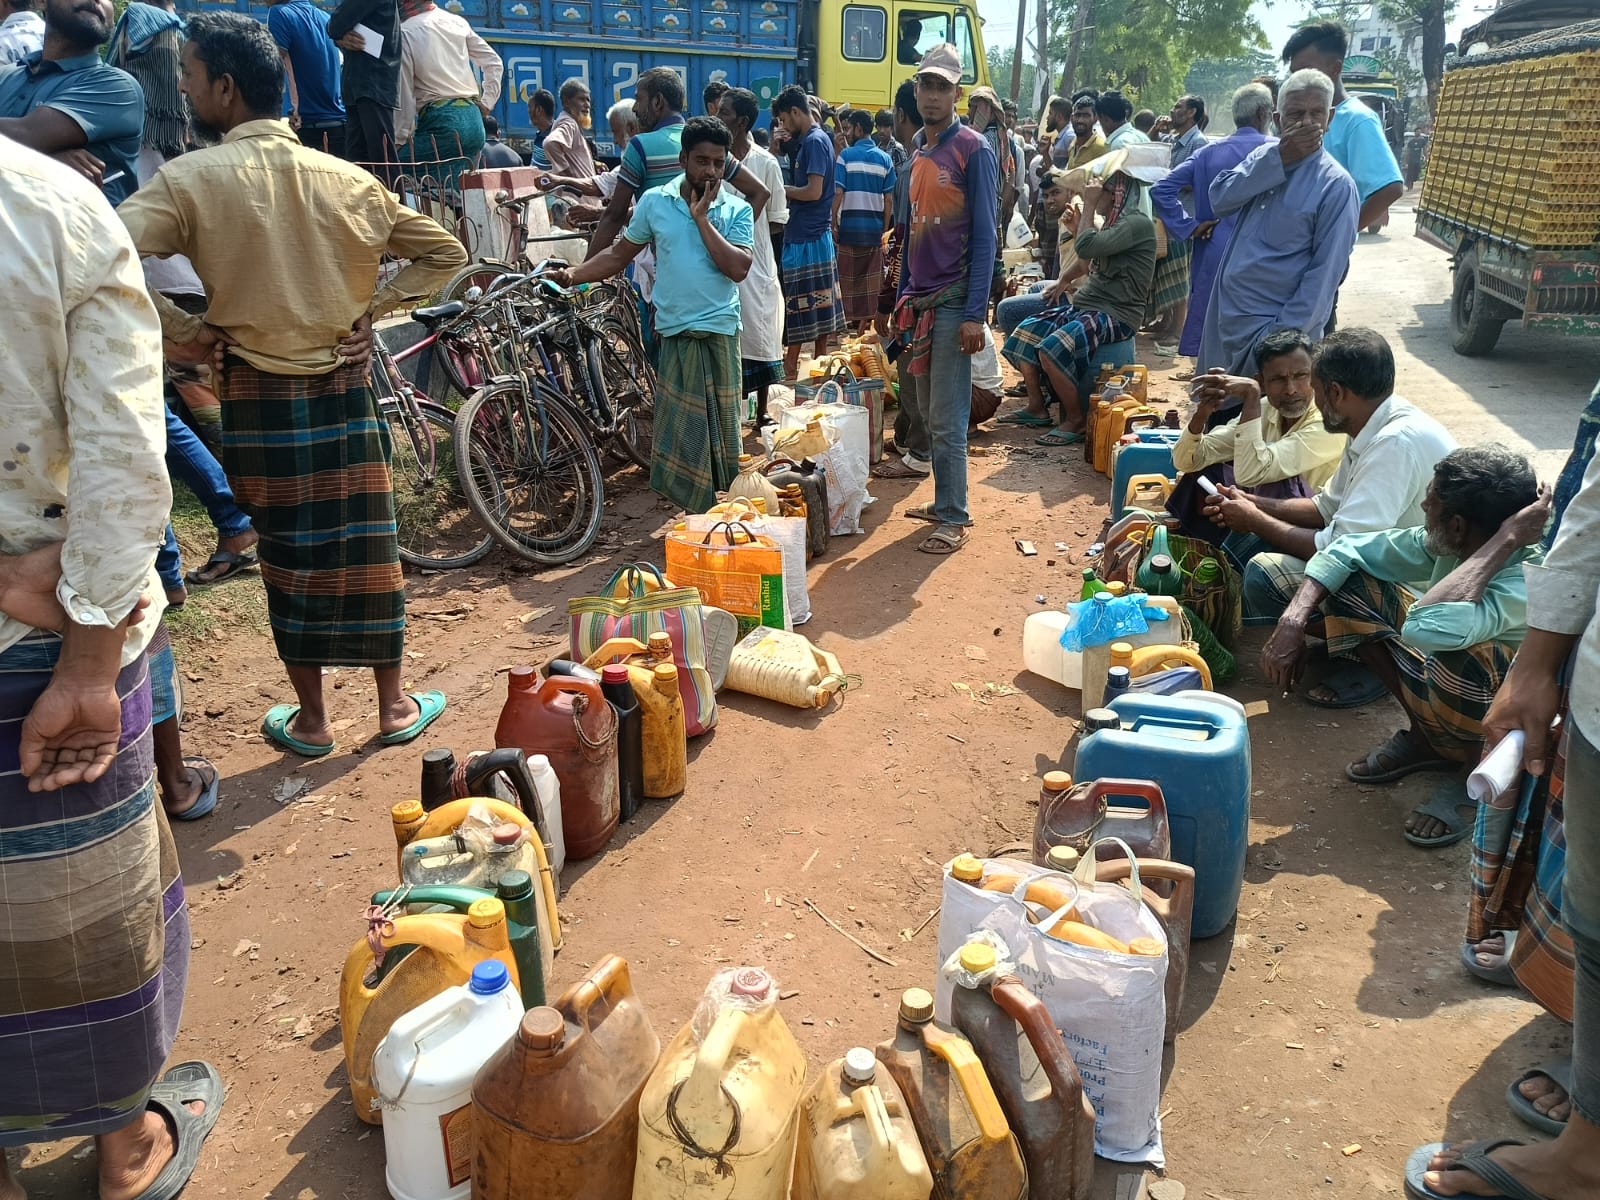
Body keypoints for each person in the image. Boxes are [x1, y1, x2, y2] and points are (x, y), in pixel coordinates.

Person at [120, 11, 467, 755]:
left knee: (286, 553)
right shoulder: (348, 180)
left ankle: (312, 720)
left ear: (224, 87)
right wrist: (374, 311)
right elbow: (446, 252)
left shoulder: (188, 181)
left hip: (254, 393)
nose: (183, 91)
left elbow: (102, 254)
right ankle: (394, 706)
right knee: (368, 543)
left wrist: (185, 331)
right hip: (345, 384)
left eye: (188, 76)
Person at [0, 134, 222, 1200]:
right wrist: (88, 659)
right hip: (52, 642)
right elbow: (127, 452)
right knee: (82, 907)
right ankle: (124, 1149)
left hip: (39, 613)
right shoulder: (49, 207)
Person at [1407, 418, 1600, 1200]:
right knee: (1582, 890)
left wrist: (1510, 547)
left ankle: (1584, 1155)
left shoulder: (1511, 581)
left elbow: (1425, 623)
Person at [1261, 447, 1544, 849]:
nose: (1423, 506)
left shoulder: (1526, 577)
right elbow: (1346, 550)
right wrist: (1293, 619)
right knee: (1349, 581)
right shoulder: (1449, 542)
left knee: (1459, 654)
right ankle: (1425, 738)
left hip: (1499, 710)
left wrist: (1506, 541)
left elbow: (1429, 630)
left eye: (1431, 500)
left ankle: (1473, 766)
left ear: (1458, 526)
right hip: (1444, 670)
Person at [1204, 328, 1455, 643]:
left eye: (1314, 387)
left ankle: (1359, 654)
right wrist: (1251, 503)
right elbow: (1324, 507)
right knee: (1251, 534)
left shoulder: (1394, 445)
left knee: (1264, 570)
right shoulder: (1371, 423)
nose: (1313, 400)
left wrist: (1255, 519)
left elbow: (1341, 550)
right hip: (1382, 563)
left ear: (1334, 392)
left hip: (1417, 592)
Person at [555, 116, 753, 512]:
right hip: (675, 331)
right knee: (685, 435)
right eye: (702, 161)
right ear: (683, 159)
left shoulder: (736, 209)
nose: (711, 171)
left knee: (724, 436)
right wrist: (574, 274)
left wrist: (701, 219)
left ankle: (724, 514)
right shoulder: (654, 202)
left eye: (718, 163)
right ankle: (695, 512)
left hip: (719, 329)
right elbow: (619, 254)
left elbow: (738, 268)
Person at [877, 43, 997, 556]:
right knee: (926, 409)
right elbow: (907, 235)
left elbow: (986, 237)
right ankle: (945, 499)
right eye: (926, 84)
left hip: (953, 302)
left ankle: (953, 516)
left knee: (946, 418)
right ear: (917, 89)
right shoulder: (917, 154)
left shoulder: (973, 149)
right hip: (919, 302)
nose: (932, 95)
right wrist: (899, 298)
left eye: (942, 86)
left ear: (957, 93)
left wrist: (975, 314)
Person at [1198, 68, 1358, 376]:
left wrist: (1279, 345)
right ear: (1278, 119)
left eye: (1316, 113)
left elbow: (1322, 281)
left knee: (1263, 407)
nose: (1307, 123)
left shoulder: (1336, 185)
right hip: (1224, 321)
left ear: (1330, 118)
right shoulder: (1265, 155)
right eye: (1296, 114)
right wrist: (1279, 160)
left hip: (1273, 339)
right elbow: (1219, 200)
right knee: (1217, 404)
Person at [998, 167, 1155, 446]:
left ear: (1116, 194)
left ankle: (1076, 419)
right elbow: (1087, 262)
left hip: (1115, 314)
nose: (1091, 194)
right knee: (1025, 335)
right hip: (1090, 307)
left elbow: (1085, 248)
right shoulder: (1116, 223)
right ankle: (1036, 407)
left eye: (1098, 191)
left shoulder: (1135, 224)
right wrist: (1064, 277)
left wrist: (1089, 206)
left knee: (1051, 350)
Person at [1170, 328, 1346, 534]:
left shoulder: (1328, 423)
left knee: (1254, 484)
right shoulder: (1266, 408)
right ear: (1262, 382)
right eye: (1278, 379)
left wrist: (1251, 395)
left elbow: (1251, 474)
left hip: (1315, 524)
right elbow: (1187, 461)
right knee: (1205, 477)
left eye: (1300, 376)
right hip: (1269, 509)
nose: (1291, 389)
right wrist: (1202, 414)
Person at [585, 65, 769, 259]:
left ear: (657, 101)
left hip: (665, 266)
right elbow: (760, 192)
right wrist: (727, 242)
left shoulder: (640, 146)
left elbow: (615, 216)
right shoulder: (703, 139)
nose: (635, 108)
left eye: (639, 99)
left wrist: (583, 272)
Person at [1151, 82, 1273, 364]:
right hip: (1264, 253)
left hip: (1213, 249)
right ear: (1264, 113)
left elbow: (1161, 189)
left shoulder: (1208, 152)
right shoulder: (1278, 152)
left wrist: (1190, 226)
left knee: (1212, 334)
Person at [0, 0, 142, 204]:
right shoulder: (6, 75)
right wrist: (47, 163)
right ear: (41, 2)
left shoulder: (117, 86)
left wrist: (35, 161)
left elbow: (26, 134)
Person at [1283, 20, 1404, 235]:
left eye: (1304, 70)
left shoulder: (1357, 119)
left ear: (1335, 68)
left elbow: (1390, 188)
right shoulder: (1298, 116)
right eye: (1293, 73)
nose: (1297, 80)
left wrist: (1338, 235)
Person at [718, 86, 788, 423]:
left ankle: (761, 412)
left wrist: (746, 236)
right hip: (720, 260)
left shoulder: (766, 163)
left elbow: (776, 219)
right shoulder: (713, 160)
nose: (718, 118)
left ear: (742, 121)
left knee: (760, 334)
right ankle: (731, 415)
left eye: (724, 113)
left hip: (756, 261)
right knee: (729, 336)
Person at [773, 82, 845, 379]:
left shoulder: (814, 141)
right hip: (813, 232)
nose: (783, 126)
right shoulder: (813, 140)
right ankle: (819, 362)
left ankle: (791, 364)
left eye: (783, 119)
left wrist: (782, 190)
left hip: (807, 234)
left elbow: (814, 191)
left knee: (800, 302)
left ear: (795, 112)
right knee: (818, 301)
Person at [394, 0, 501, 190]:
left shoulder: (404, 32)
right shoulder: (456, 22)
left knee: (392, 167)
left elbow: (405, 94)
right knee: (460, 189)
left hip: (442, 122)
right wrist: (487, 102)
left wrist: (399, 139)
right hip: (475, 123)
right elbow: (494, 63)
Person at [1145, 93, 1207, 357]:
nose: (1172, 111)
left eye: (1178, 107)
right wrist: (1154, 131)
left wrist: (1169, 180)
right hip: (1166, 217)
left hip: (1184, 218)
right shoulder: (1172, 140)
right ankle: (1167, 322)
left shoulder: (1198, 142)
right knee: (1167, 272)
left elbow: (1199, 181)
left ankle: (1178, 330)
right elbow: (1148, 153)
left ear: (1192, 112)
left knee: (1180, 276)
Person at [833, 106, 894, 333]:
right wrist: (884, 229)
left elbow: (838, 193)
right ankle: (863, 327)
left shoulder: (845, 157)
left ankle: (840, 329)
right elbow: (889, 199)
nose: (848, 133)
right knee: (870, 283)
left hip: (849, 229)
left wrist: (833, 222)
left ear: (858, 128)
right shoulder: (885, 159)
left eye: (850, 128)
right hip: (873, 231)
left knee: (845, 281)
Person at [105, 0, 184, 169]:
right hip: (161, 128)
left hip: (131, 120)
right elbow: (173, 82)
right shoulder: (166, 26)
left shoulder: (131, 18)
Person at [327, 0, 401, 171]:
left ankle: (391, 190)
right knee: (361, 162)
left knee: (381, 161)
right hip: (363, 85)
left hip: (371, 85)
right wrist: (339, 38)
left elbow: (337, 24)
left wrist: (336, 32)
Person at [268, 0, 345, 155]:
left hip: (311, 129)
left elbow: (270, 68)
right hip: (340, 126)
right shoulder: (325, 17)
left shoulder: (279, 13)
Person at [543, 77, 593, 179]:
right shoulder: (569, 123)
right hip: (574, 189)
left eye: (588, 100)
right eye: (581, 99)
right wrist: (566, 172)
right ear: (566, 101)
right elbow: (550, 143)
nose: (587, 105)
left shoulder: (572, 122)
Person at [1066, 94, 1105, 168]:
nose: (1080, 120)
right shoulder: (1072, 144)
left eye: (1086, 116)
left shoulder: (1101, 148)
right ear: (1071, 118)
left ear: (1095, 119)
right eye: (1077, 115)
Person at [874, 104, 906, 173]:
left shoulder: (898, 150)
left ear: (892, 128)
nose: (882, 130)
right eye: (879, 126)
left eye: (885, 126)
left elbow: (902, 175)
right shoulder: (876, 148)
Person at [526, 85, 553, 164]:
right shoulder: (540, 135)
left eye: (530, 107)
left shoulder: (554, 138)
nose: (528, 111)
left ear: (538, 110)